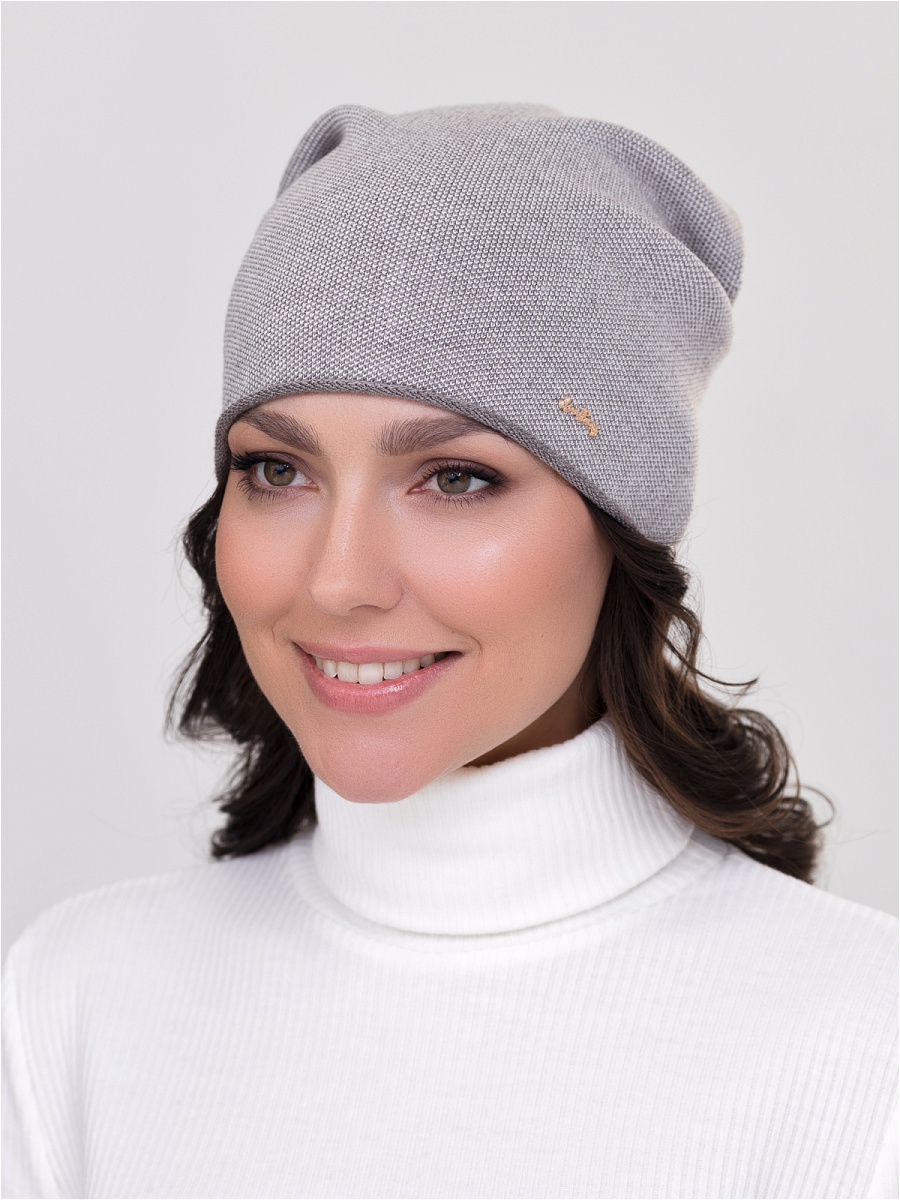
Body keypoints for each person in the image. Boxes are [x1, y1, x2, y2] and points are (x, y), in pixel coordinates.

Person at [2, 102, 896, 1200]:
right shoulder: (77, 1004)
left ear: (623, 524)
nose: (338, 579)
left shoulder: (865, 1048)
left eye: (458, 478)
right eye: (278, 470)